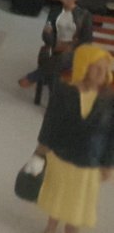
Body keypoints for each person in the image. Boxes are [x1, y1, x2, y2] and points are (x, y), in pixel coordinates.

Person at [29, 45, 113, 233]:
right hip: (62, 155)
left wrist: (108, 163)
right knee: (58, 193)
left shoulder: (109, 100)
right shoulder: (64, 92)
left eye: (105, 69)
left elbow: (111, 135)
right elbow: (51, 122)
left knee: (79, 200)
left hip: (90, 160)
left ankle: (72, 227)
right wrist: (41, 150)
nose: (102, 73)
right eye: (97, 68)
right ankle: (51, 225)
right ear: (84, 67)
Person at [20, 0, 93, 93]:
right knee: (49, 58)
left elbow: (87, 40)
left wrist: (71, 46)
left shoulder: (84, 15)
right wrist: (48, 34)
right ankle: (52, 92)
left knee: (62, 58)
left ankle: (33, 77)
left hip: (74, 51)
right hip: (55, 47)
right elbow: (46, 37)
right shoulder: (55, 12)